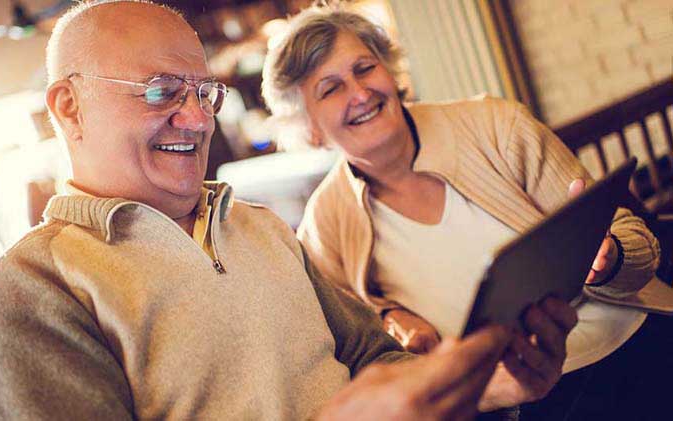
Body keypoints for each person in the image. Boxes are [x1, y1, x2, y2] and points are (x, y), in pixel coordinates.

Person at [0, 1, 578, 420]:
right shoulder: (37, 284)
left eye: (203, 91)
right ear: (69, 107)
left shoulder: (261, 226)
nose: (197, 118)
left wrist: (490, 388)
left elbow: (373, 358)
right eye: (160, 91)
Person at [261, 3, 671, 420]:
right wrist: (390, 316)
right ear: (309, 127)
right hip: (518, 405)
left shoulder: (496, 124)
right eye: (331, 89)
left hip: (632, 340)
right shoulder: (324, 225)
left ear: (390, 69)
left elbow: (633, 238)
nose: (361, 94)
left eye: (365, 68)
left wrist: (612, 256)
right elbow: (352, 342)